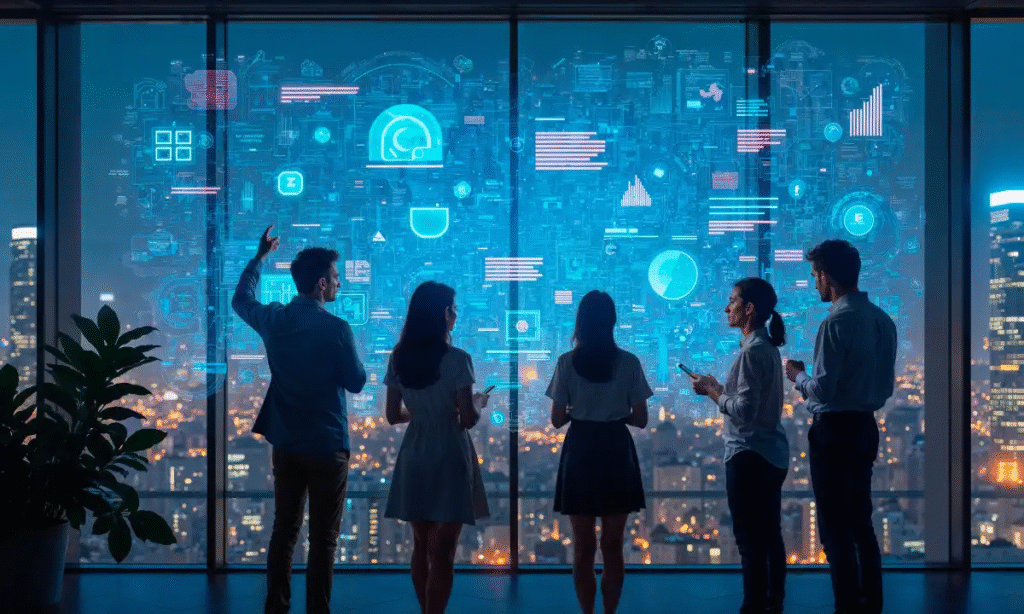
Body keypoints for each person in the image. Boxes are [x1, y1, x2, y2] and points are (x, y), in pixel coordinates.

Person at [232, 225, 367, 614]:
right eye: (337, 278)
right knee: (324, 538)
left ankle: (276, 607)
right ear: (322, 284)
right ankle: (317, 611)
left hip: (287, 443)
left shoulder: (275, 320)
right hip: (327, 445)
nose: (340, 284)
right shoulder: (338, 329)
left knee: (284, 530)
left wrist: (259, 258)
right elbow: (356, 382)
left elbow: (241, 299)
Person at [784, 239, 897, 614]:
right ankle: (871, 603)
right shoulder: (883, 320)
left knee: (834, 529)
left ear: (827, 276)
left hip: (834, 432)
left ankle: (847, 605)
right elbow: (886, 386)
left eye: (816, 275)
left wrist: (798, 376)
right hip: (865, 427)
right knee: (860, 523)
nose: (815, 283)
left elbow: (822, 389)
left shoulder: (835, 324)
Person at [383, 281, 490, 614]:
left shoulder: (399, 357)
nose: (456, 315)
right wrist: (477, 403)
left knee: (420, 544)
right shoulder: (458, 360)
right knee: (444, 550)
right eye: (453, 308)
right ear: (445, 313)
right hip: (449, 451)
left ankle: (423, 609)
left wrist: (419, 411)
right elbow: (468, 420)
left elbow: (391, 414)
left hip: (415, 450)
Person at [546, 290, 652, 614]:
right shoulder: (630, 363)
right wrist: (615, 411)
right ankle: (609, 613)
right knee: (613, 546)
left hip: (580, 451)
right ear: (612, 322)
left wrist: (580, 409)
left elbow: (555, 420)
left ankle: (587, 613)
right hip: (616, 451)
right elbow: (642, 419)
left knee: (582, 547)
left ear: (580, 323)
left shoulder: (566, 363)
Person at [690, 278, 790, 614]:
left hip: (748, 455)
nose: (726, 307)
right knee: (770, 536)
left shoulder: (753, 352)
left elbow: (745, 411)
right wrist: (719, 388)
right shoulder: (768, 350)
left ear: (749, 309)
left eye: (732, 301)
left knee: (749, 542)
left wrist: (712, 392)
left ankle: (753, 606)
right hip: (771, 454)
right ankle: (773, 602)